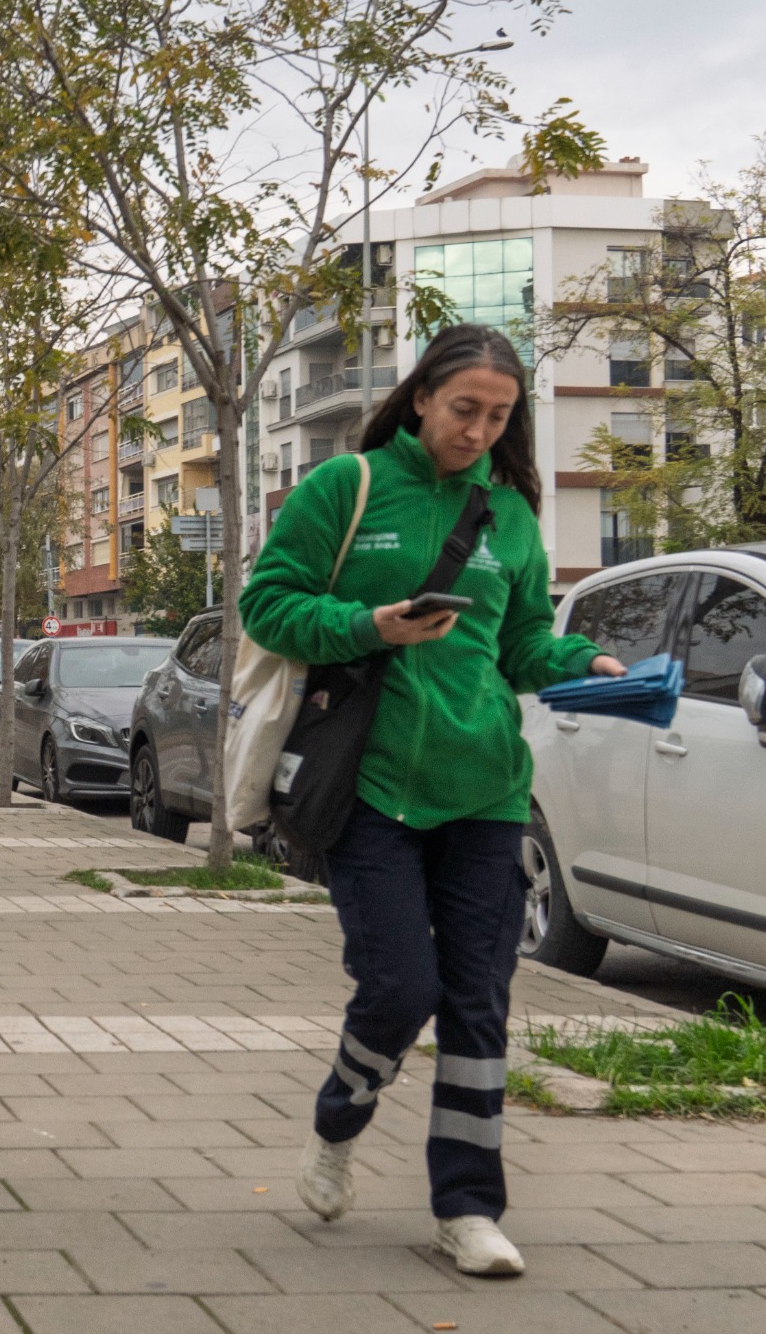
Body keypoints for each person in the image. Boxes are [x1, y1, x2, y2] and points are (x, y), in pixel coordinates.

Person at [238, 323, 625, 1276]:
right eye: (463, 410)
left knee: (478, 1002)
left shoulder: (511, 517)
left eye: (497, 416)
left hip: (487, 790)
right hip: (371, 789)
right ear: (420, 398)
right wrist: (368, 625)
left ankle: (468, 1208)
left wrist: (583, 663)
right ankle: (340, 1119)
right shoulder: (348, 488)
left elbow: (522, 644)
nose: (478, 431)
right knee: (401, 988)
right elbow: (268, 605)